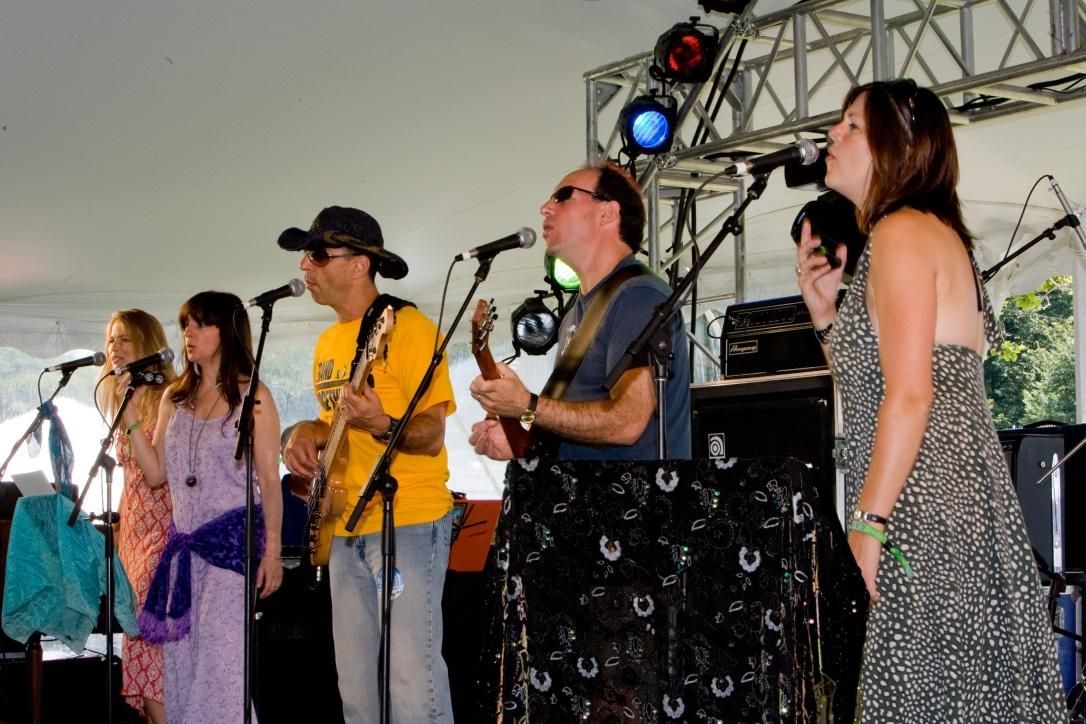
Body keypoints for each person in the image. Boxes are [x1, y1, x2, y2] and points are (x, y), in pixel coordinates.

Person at [795, 79, 1063, 720]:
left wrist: (867, 527)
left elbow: (912, 397)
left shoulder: (902, 232)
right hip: (940, 501)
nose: (833, 135)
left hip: (922, 507)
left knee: (920, 691)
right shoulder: (921, 233)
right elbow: (878, 384)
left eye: (852, 125)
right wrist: (827, 320)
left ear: (900, 147)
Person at [279, 206, 456, 723]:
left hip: (409, 521)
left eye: (316, 255)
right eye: (304, 257)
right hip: (342, 525)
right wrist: (299, 436)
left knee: (412, 688)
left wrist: (381, 421)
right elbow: (326, 423)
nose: (305, 268)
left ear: (360, 264)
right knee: (356, 691)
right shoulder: (328, 342)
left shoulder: (408, 328)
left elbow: (430, 434)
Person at [124, 291, 284, 723]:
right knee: (181, 669)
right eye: (185, 325)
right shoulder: (174, 399)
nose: (189, 333)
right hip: (183, 555)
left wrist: (272, 553)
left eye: (200, 323)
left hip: (231, 550)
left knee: (221, 669)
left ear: (227, 330)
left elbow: (270, 481)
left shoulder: (255, 398)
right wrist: (132, 423)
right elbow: (156, 473)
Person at [468, 161, 691, 461]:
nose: (545, 207)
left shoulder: (637, 296)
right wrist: (517, 433)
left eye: (563, 196)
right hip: (583, 499)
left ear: (607, 213)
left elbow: (627, 422)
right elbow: (574, 416)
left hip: (633, 502)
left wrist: (526, 405)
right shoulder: (577, 310)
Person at [96, 309, 176, 724]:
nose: (115, 349)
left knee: (154, 656)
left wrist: (128, 416)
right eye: (111, 340)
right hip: (133, 539)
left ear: (146, 344)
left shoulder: (168, 397)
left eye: (125, 339)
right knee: (141, 652)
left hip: (162, 540)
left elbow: (156, 475)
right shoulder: (129, 400)